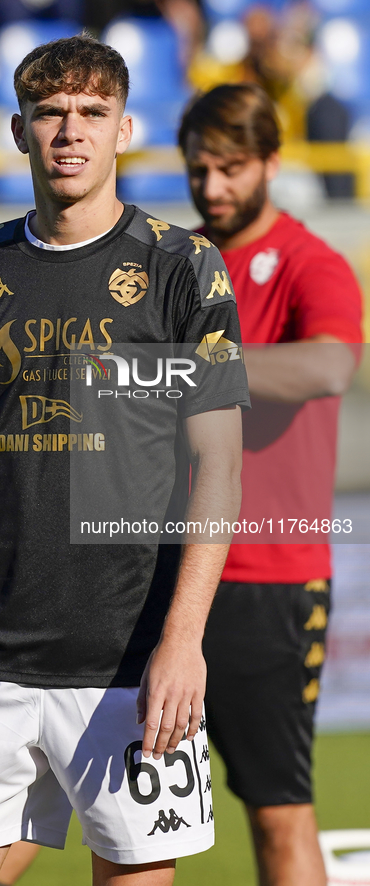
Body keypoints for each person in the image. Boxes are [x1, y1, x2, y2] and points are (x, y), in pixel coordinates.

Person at [0, 37, 250, 886]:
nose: (68, 132)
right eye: (49, 114)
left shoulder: (181, 267)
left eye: (90, 114)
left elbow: (219, 469)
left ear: (124, 130)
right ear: (18, 130)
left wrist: (183, 642)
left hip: (129, 663)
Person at [178, 83, 363, 886]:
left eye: (230, 167)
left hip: (267, 578)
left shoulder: (308, 262)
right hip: (155, 568)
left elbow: (327, 364)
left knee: (278, 812)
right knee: (107, 807)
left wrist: (185, 369)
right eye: (198, 168)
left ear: (271, 165)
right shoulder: (168, 264)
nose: (212, 187)